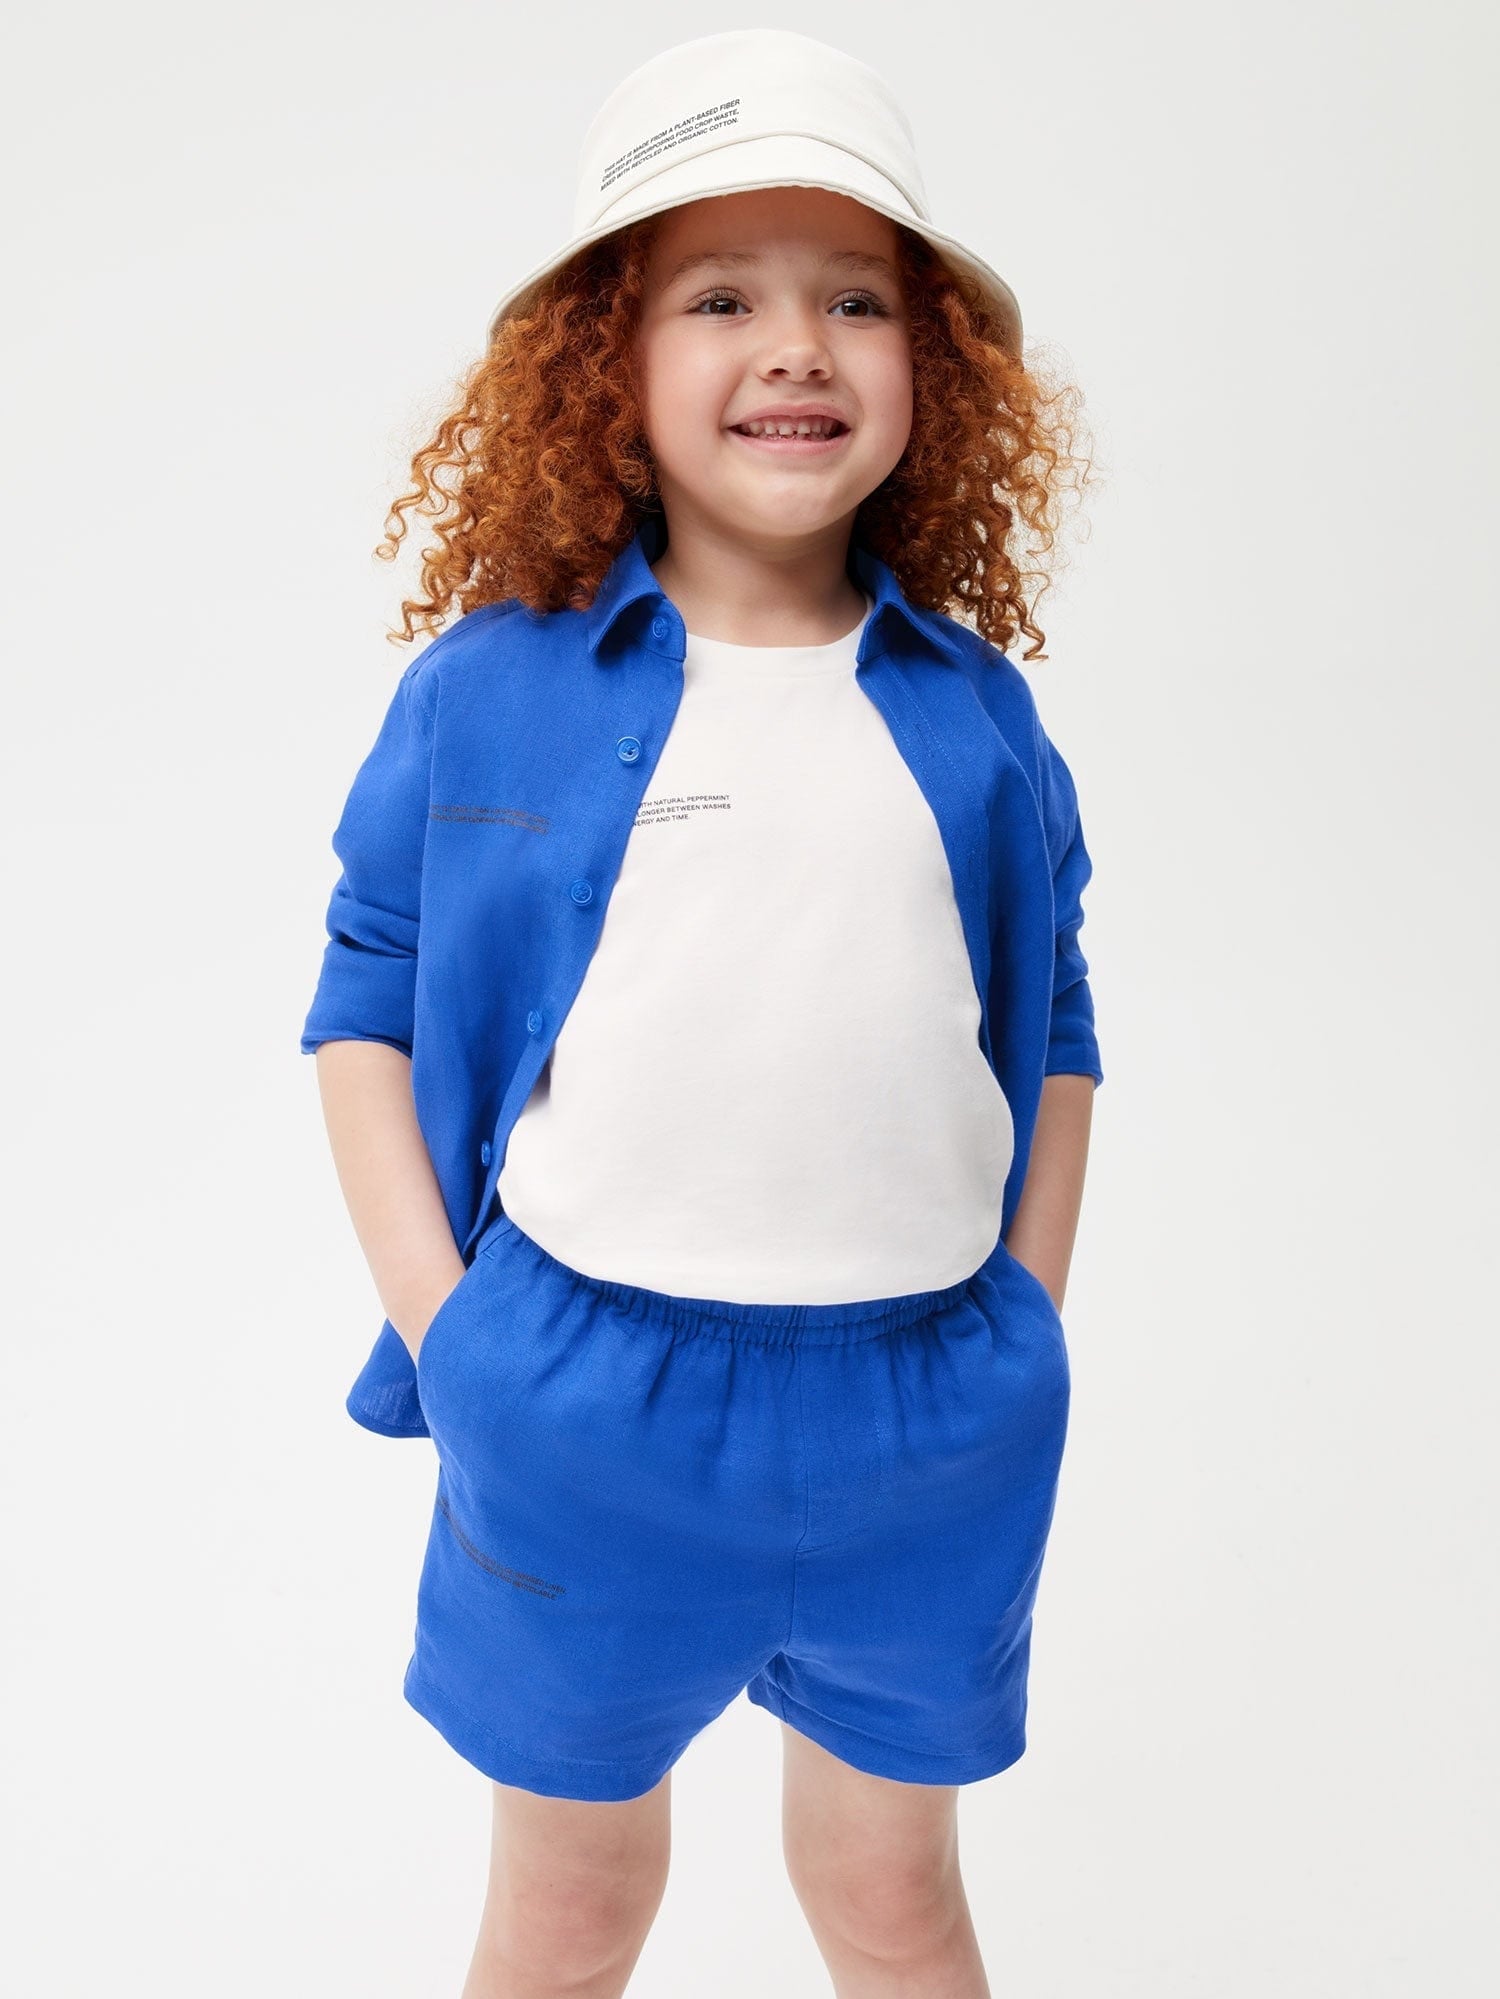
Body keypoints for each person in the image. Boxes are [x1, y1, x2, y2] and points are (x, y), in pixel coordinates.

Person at [301, 27, 1103, 1998]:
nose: (796, 347)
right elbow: (367, 995)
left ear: (933, 361)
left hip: (929, 1415)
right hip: (581, 1404)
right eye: (721, 298)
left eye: (857, 300)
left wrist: (1021, 1318)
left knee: (895, 1899)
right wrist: (454, 1334)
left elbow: (1055, 1020)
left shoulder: (975, 715)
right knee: (570, 1914)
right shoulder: (486, 690)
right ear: (610, 359)